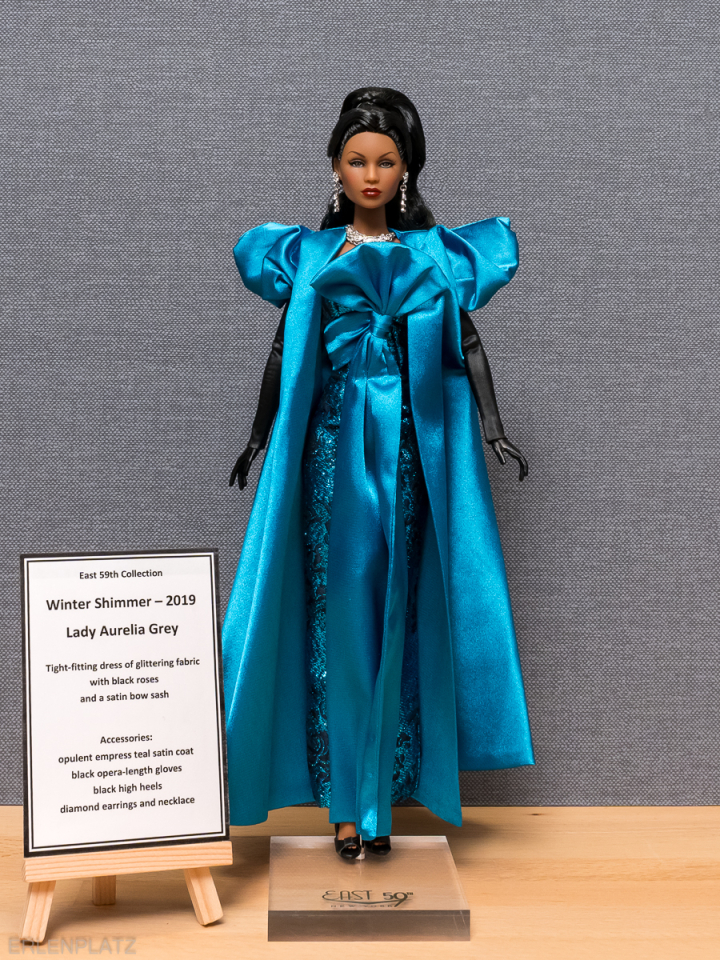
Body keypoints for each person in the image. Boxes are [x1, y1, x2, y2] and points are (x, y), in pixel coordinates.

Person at [223, 87, 534, 860]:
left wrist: (493, 429)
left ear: (406, 170)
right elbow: (282, 352)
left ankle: (381, 803)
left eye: (386, 162)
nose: (370, 175)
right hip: (329, 453)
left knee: (399, 607)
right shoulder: (308, 255)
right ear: (335, 166)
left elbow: (466, 345)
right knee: (334, 616)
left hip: (407, 456)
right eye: (357, 160)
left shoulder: (434, 256)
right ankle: (342, 803)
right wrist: (259, 437)